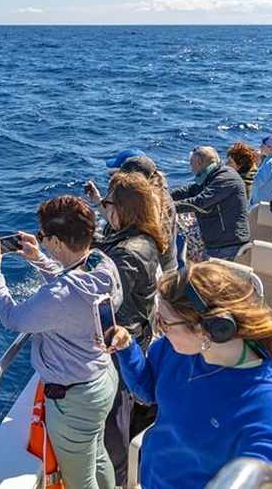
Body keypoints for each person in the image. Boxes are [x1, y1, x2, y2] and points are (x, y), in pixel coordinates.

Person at [110, 262, 272, 489]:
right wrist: (126, 347)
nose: (159, 330)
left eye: (165, 322)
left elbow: (269, 477)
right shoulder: (176, 349)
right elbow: (150, 389)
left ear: (212, 328)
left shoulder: (268, 408)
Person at [0, 195, 122, 489]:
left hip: (74, 399)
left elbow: (12, 318)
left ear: (58, 242)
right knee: (97, 455)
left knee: (79, 481)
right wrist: (39, 259)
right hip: (102, 379)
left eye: (44, 237)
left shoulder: (60, 295)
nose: (41, 241)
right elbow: (72, 282)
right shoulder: (102, 264)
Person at [91, 172, 168, 485]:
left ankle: (118, 479)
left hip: (121, 343)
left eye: (108, 203)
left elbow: (101, 297)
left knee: (114, 422)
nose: (105, 208)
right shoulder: (144, 239)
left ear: (123, 207)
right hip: (136, 334)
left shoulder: (127, 252)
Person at [85, 155, 178, 272]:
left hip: (158, 268)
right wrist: (98, 201)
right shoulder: (153, 195)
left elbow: (137, 232)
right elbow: (122, 221)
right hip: (161, 266)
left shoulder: (153, 201)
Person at [170, 146, 250, 260]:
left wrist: (167, 207)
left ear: (199, 163)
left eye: (191, 164)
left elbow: (200, 202)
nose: (191, 169)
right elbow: (188, 191)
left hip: (228, 246)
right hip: (213, 244)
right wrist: (162, 195)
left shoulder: (226, 177)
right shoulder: (209, 177)